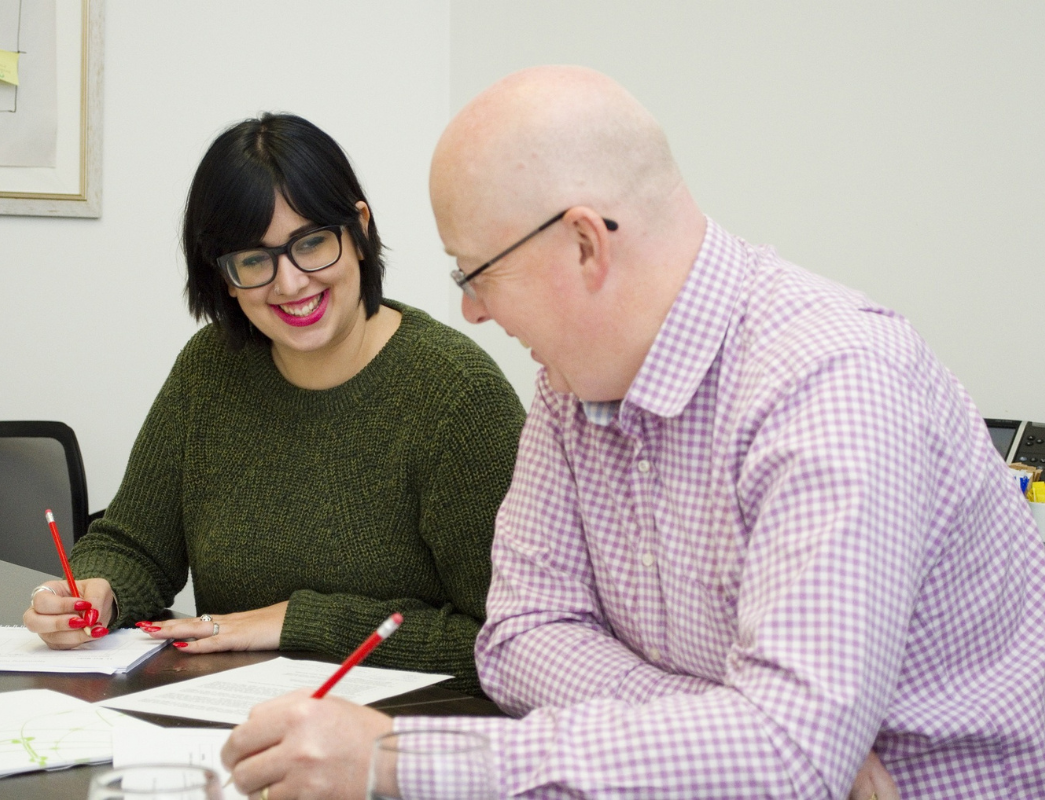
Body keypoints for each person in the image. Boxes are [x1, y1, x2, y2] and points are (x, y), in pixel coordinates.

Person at [218, 68, 1045, 799]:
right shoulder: (570, 384)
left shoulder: (830, 380)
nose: (471, 310)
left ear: (584, 243)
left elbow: (788, 762)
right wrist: (729, 731)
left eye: (475, 272)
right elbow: (518, 639)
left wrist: (399, 761)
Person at [23, 113, 525, 696]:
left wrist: (299, 621)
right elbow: (135, 543)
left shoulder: (456, 395)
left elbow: (513, 641)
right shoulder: (210, 369)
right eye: (254, 260)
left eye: (311, 243)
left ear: (359, 230)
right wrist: (94, 588)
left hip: (401, 746)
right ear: (225, 278)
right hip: (234, 727)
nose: (289, 284)